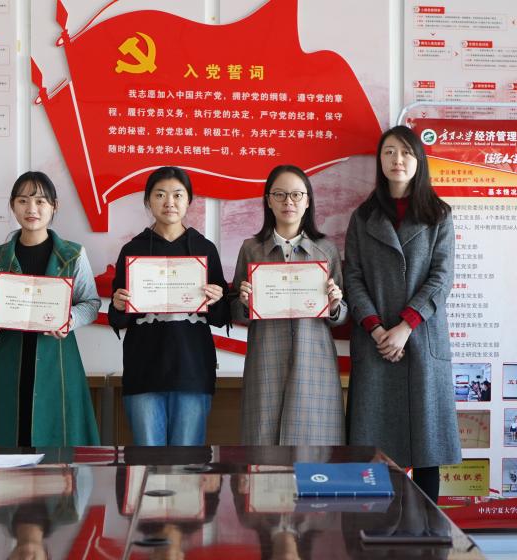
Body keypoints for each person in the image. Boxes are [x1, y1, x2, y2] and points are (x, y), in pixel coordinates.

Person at [344, 125, 459, 502]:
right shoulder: (363, 216)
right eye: (390, 152)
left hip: (422, 339)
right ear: (379, 160)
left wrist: (406, 326)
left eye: (407, 152)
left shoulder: (438, 214)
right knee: (374, 451)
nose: (398, 160)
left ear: (419, 160)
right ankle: (379, 529)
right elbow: (352, 277)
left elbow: (442, 276)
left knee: (427, 451)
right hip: (375, 343)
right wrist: (377, 328)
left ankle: (427, 530)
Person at [0, 172, 101, 447]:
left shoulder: (73, 255)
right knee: (7, 439)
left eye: (40, 201)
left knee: (59, 443)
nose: (32, 209)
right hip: (9, 362)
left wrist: (69, 319)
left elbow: (91, 304)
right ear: (13, 205)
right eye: (23, 201)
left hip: (59, 361)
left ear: (54, 206)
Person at [108, 166, 230, 446]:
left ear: (189, 201)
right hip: (143, 371)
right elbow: (118, 319)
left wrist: (216, 300)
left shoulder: (204, 249)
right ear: (148, 201)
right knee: (147, 460)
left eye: (177, 195)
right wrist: (118, 304)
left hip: (192, 370)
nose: (169, 202)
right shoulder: (133, 250)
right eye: (160, 194)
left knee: (186, 462)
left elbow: (221, 317)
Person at [231, 165, 347, 445]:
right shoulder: (251, 248)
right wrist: (244, 303)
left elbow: (342, 314)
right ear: (268, 201)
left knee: (316, 451)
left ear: (307, 201)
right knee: (263, 446)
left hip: (314, 361)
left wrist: (334, 305)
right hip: (266, 359)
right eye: (280, 194)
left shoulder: (325, 249)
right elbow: (234, 309)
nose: (288, 202)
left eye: (296, 194)